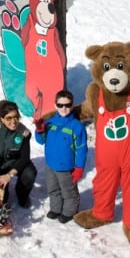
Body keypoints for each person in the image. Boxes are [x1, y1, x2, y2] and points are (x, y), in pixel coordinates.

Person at [34, 90, 88, 224]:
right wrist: (39, 130)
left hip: (66, 167)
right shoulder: (50, 123)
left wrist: (79, 168)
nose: (64, 108)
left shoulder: (77, 126)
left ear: (72, 105)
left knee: (68, 191)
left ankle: (70, 211)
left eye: (67, 105)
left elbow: (81, 149)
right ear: (55, 105)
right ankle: (56, 208)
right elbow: (41, 140)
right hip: (50, 165)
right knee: (53, 188)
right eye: (60, 105)